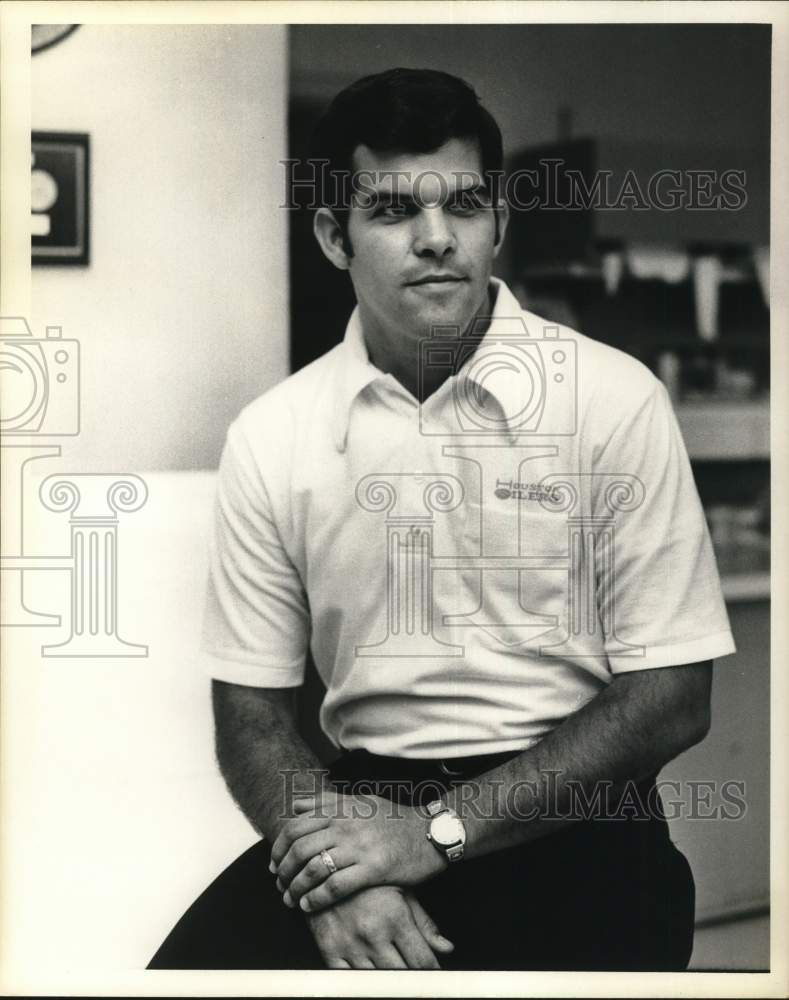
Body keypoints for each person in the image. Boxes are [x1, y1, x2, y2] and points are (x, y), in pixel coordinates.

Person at [149, 68, 735, 972]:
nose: (435, 240)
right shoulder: (274, 436)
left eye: (462, 204)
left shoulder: (610, 400)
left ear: (497, 221)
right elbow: (251, 714)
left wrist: (434, 834)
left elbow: (670, 699)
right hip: (359, 807)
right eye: (390, 212)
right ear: (332, 236)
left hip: (576, 816)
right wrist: (339, 876)